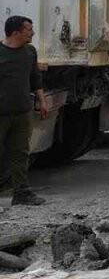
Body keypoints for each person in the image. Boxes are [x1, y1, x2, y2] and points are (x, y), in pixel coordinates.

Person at [0, 16, 49, 206]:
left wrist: (42, 100)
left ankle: (21, 193)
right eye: (28, 29)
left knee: (21, 152)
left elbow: (35, 78)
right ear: (15, 32)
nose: (33, 33)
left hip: (22, 113)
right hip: (1, 114)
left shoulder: (30, 52)